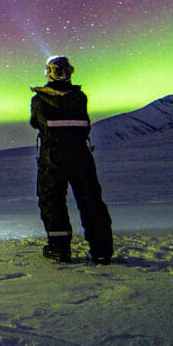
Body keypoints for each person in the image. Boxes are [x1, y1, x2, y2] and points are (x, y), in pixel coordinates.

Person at [29, 55, 113, 264]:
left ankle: (59, 249)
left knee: (51, 200)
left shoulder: (39, 100)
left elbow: (34, 123)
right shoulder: (80, 97)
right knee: (91, 201)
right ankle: (101, 250)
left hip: (52, 158)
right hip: (80, 156)